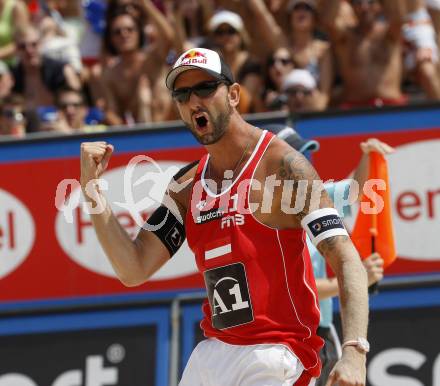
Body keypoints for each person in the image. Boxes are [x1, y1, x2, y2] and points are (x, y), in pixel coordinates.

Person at [80, 47, 369, 385]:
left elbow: (347, 258)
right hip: (213, 354)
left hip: (274, 352)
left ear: (233, 94)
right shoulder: (186, 185)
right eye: (182, 94)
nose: (193, 101)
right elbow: (133, 268)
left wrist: (354, 351)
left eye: (204, 87)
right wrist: (93, 190)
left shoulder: (284, 166)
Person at [265, 125, 391, 386]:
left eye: (302, 158)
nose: (301, 166)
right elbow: (293, 288)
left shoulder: (312, 196)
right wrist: (353, 279)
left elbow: (357, 189)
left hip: (318, 332)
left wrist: (369, 156)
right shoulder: (258, 216)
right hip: (280, 340)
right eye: (293, 159)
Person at [322, 0, 407, 108]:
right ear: (352, 7)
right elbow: (328, 22)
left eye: (370, 2)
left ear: (379, 6)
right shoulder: (346, 38)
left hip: (392, 105)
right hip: (355, 110)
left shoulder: (389, 35)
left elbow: (399, 17)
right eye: (358, 2)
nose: (364, 7)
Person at [10, 24, 81, 110]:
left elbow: (78, 102)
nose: (29, 50)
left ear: (41, 44)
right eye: (22, 47)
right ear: (16, 50)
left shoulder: (61, 70)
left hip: (59, 119)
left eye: (34, 44)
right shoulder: (12, 76)